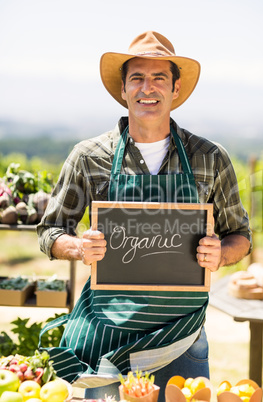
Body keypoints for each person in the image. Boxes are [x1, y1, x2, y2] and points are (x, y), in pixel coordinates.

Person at [37, 31, 251, 401]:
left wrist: (222, 253)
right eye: (137, 77)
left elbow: (240, 235)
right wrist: (77, 247)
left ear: (176, 88)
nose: (146, 88)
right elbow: (50, 230)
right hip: (107, 336)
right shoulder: (89, 156)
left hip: (181, 337)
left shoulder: (210, 157)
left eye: (158, 78)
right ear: (123, 89)